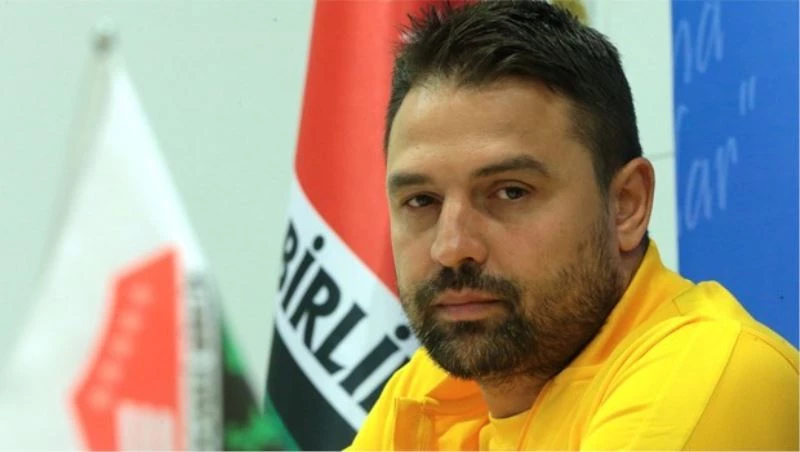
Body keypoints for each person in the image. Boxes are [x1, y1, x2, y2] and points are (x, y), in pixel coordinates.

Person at [346, 1, 800, 450]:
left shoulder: (706, 373)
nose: (451, 247)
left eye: (510, 192)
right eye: (421, 201)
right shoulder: (435, 388)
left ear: (626, 205)